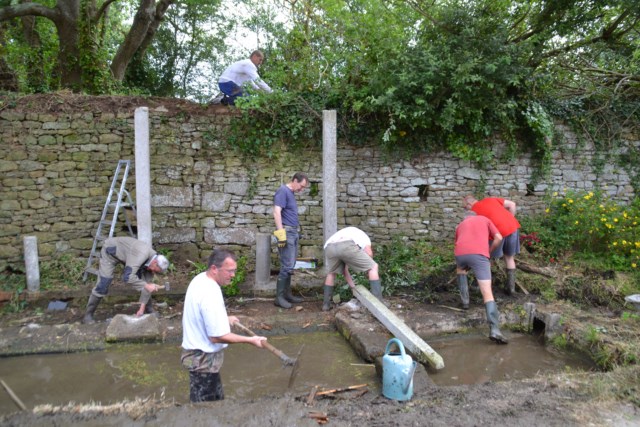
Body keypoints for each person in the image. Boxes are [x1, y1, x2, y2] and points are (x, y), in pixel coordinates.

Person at [181, 249, 267, 402]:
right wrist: (250, 340)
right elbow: (217, 337)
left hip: (197, 357)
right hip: (202, 361)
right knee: (203, 407)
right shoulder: (209, 294)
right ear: (214, 269)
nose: (233, 275)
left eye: (234, 271)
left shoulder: (201, 279)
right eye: (230, 271)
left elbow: (202, 313)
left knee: (216, 401)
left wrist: (223, 318)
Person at [83, 236, 170, 324]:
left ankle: (149, 310)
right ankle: (88, 315)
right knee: (104, 283)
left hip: (128, 255)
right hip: (111, 252)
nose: (153, 272)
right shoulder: (141, 255)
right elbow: (127, 277)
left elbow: (146, 285)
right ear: (155, 263)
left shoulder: (153, 260)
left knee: (145, 283)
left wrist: (141, 308)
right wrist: (146, 285)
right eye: (155, 270)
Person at [455, 211, 508, 344]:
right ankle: (494, 329)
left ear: (466, 218)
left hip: (460, 254)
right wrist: (488, 252)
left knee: (461, 270)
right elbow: (499, 238)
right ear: (475, 216)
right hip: (479, 254)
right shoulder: (484, 219)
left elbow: (459, 242)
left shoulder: (460, 225)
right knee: (487, 292)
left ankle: (465, 303)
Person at [463, 195, 521, 295]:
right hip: (512, 228)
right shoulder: (490, 199)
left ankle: (480, 287)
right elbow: (512, 204)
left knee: (486, 259)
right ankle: (511, 289)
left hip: (497, 233)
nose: (465, 209)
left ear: (469, 204)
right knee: (509, 257)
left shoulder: (473, 212)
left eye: (464, 207)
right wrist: (509, 220)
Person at [322, 226, 383, 311]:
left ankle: (326, 305)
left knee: (331, 273)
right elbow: (369, 253)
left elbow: (344, 270)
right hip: (346, 244)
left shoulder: (350, 233)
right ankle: (378, 304)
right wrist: (369, 271)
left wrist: (353, 288)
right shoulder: (365, 238)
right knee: (373, 267)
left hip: (329, 246)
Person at [272, 172, 309, 309]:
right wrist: (281, 233)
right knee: (286, 265)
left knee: (289, 265)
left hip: (292, 232)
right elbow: (276, 212)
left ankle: (287, 294)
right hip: (287, 232)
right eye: (301, 186)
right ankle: (279, 298)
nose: (302, 189)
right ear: (294, 180)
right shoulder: (283, 191)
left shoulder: (290, 193)